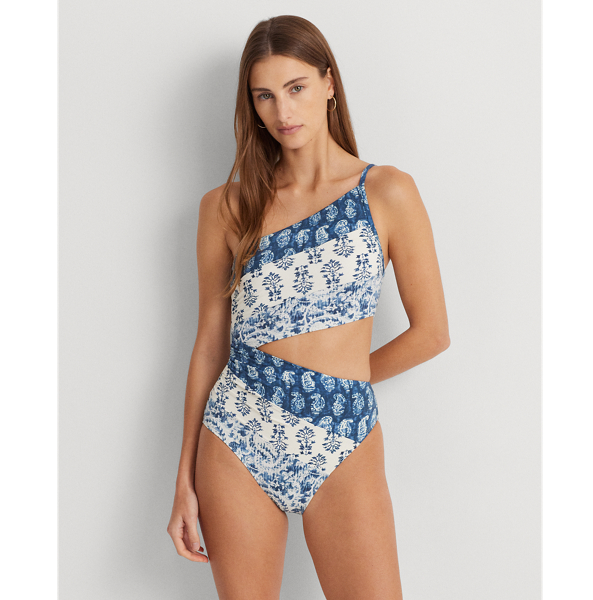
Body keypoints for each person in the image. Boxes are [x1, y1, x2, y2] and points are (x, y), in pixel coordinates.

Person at [167, 14, 450, 599]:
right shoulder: (225, 208)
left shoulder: (387, 192)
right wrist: (183, 481)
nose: (283, 111)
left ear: (328, 83)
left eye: (295, 87)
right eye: (264, 95)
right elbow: (210, 344)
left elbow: (432, 332)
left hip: (342, 432)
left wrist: (332, 384)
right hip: (237, 432)